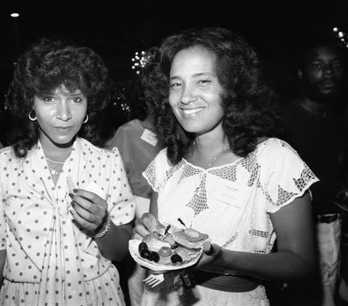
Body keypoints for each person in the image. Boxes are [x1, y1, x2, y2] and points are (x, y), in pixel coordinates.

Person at [133, 27, 317, 305]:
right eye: (176, 84)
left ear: (231, 87)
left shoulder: (273, 158)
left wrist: (223, 259)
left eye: (203, 81)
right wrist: (150, 235)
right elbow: (163, 249)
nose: (185, 97)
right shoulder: (166, 161)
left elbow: (301, 263)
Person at [0, 38, 136, 306]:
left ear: (88, 106)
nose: (64, 114)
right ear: (30, 104)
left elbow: (119, 252)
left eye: (76, 99)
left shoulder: (107, 163)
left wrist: (102, 226)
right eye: (49, 98)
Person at [280, 33, 348, 306]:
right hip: (296, 239)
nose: (328, 73)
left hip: (335, 229)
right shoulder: (283, 121)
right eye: (318, 66)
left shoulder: (341, 119)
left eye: (336, 65)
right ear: (300, 72)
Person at [105, 47, 165, 306]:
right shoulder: (127, 133)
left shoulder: (180, 135)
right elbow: (110, 181)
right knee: (141, 285)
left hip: (171, 221)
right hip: (138, 221)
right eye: (155, 94)